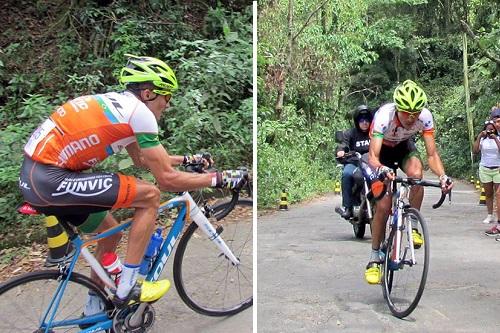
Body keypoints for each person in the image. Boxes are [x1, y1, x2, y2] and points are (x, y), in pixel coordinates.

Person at [18, 54, 245, 312]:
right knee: (149, 195)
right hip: (50, 179)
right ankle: (128, 287)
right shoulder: (139, 114)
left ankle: (96, 309)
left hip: (37, 177)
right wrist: (221, 178)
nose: (168, 105)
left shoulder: (121, 107)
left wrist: (187, 159)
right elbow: (166, 180)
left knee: (111, 232)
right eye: (166, 96)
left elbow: (142, 159)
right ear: (148, 93)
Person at [364, 80, 453, 284]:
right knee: (384, 205)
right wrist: (383, 169)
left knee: (416, 174)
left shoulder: (425, 117)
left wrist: (442, 176)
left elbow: (432, 155)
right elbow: (373, 156)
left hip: (403, 147)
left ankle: (412, 225)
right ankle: (374, 257)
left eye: (415, 113)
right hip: (382, 154)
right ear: (398, 109)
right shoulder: (384, 116)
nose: (411, 117)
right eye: (406, 113)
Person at [334, 105, 373, 219]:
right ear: (357, 121)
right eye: (361, 120)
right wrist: (341, 151)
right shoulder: (350, 133)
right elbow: (342, 145)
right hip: (354, 162)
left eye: (367, 120)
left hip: (371, 163)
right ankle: (348, 207)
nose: (364, 122)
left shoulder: (375, 133)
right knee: (346, 174)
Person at [472, 119, 500, 227]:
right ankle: (489, 215)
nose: (490, 131)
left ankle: (499, 217)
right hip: (485, 168)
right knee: (488, 194)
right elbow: (475, 151)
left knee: (498, 194)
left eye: (492, 129)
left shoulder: (498, 138)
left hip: (497, 169)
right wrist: (479, 137)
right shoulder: (482, 140)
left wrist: (495, 139)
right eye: (488, 129)